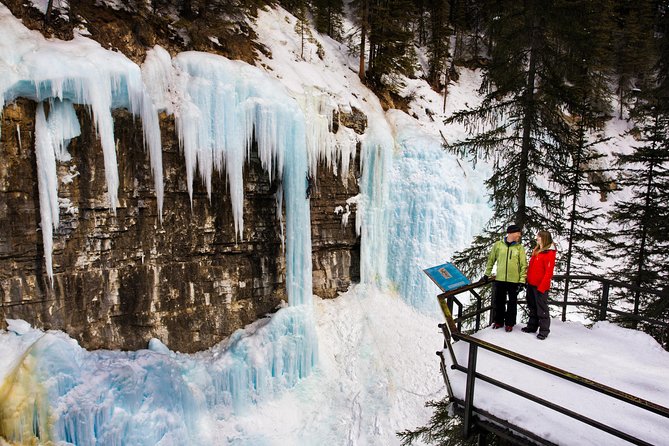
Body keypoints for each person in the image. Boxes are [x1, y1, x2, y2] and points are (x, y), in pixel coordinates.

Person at [483, 224, 528, 332]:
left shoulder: (519, 248)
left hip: (514, 281)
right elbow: (491, 260)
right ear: (511, 233)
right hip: (500, 279)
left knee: (512, 303)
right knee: (499, 301)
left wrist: (521, 281)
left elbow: (523, 265)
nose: (519, 235)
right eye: (518, 233)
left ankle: (509, 323)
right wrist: (487, 274)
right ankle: (498, 321)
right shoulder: (498, 245)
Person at [522, 230, 557, 340]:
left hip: (540, 286)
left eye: (539, 237)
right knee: (532, 306)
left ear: (544, 238)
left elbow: (548, 272)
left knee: (541, 308)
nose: (537, 238)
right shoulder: (538, 250)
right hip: (532, 283)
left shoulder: (549, 253)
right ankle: (532, 326)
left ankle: (544, 331)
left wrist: (542, 287)